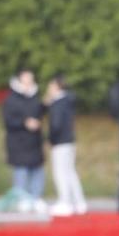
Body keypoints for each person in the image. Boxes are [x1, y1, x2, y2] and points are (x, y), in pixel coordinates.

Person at [2, 68, 47, 214]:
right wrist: (24, 123)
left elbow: (39, 114)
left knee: (37, 170)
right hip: (18, 143)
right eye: (26, 79)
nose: (28, 83)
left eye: (30, 79)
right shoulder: (11, 100)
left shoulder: (35, 98)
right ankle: (22, 199)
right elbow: (8, 121)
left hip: (34, 142)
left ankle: (36, 197)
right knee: (21, 172)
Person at [45, 76, 86, 217]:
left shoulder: (58, 103)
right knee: (70, 172)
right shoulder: (68, 101)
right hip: (69, 140)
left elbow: (56, 124)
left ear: (57, 87)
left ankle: (65, 202)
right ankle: (79, 202)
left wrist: (50, 139)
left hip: (60, 142)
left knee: (60, 172)